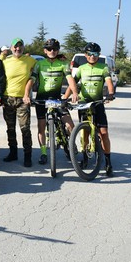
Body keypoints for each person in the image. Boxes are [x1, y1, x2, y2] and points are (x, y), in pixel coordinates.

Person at [25, 38, 79, 164]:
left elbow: (70, 80)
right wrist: (26, 95)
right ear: (45, 50)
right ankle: (44, 153)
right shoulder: (39, 64)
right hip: (41, 99)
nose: (52, 51)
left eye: (55, 49)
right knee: (41, 128)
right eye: (49, 49)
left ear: (58, 50)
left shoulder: (63, 64)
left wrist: (75, 92)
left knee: (70, 125)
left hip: (56, 98)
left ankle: (71, 144)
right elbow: (31, 80)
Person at [72, 42, 115, 176]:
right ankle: (85, 157)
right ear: (85, 55)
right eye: (90, 54)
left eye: (95, 54)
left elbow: (109, 82)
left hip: (97, 103)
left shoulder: (103, 68)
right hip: (84, 103)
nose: (92, 56)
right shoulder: (81, 68)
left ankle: (108, 161)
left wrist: (111, 93)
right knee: (84, 133)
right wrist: (66, 96)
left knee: (103, 133)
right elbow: (72, 83)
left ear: (99, 55)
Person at [1, 38, 37, 167]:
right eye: (15, 47)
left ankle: (28, 156)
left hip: (23, 100)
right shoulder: (5, 61)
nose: (18, 49)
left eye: (20, 46)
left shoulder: (31, 61)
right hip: (8, 98)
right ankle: (13, 153)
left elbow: (40, 68)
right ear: (11, 48)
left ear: (23, 48)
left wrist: (61, 57)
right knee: (10, 129)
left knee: (25, 129)